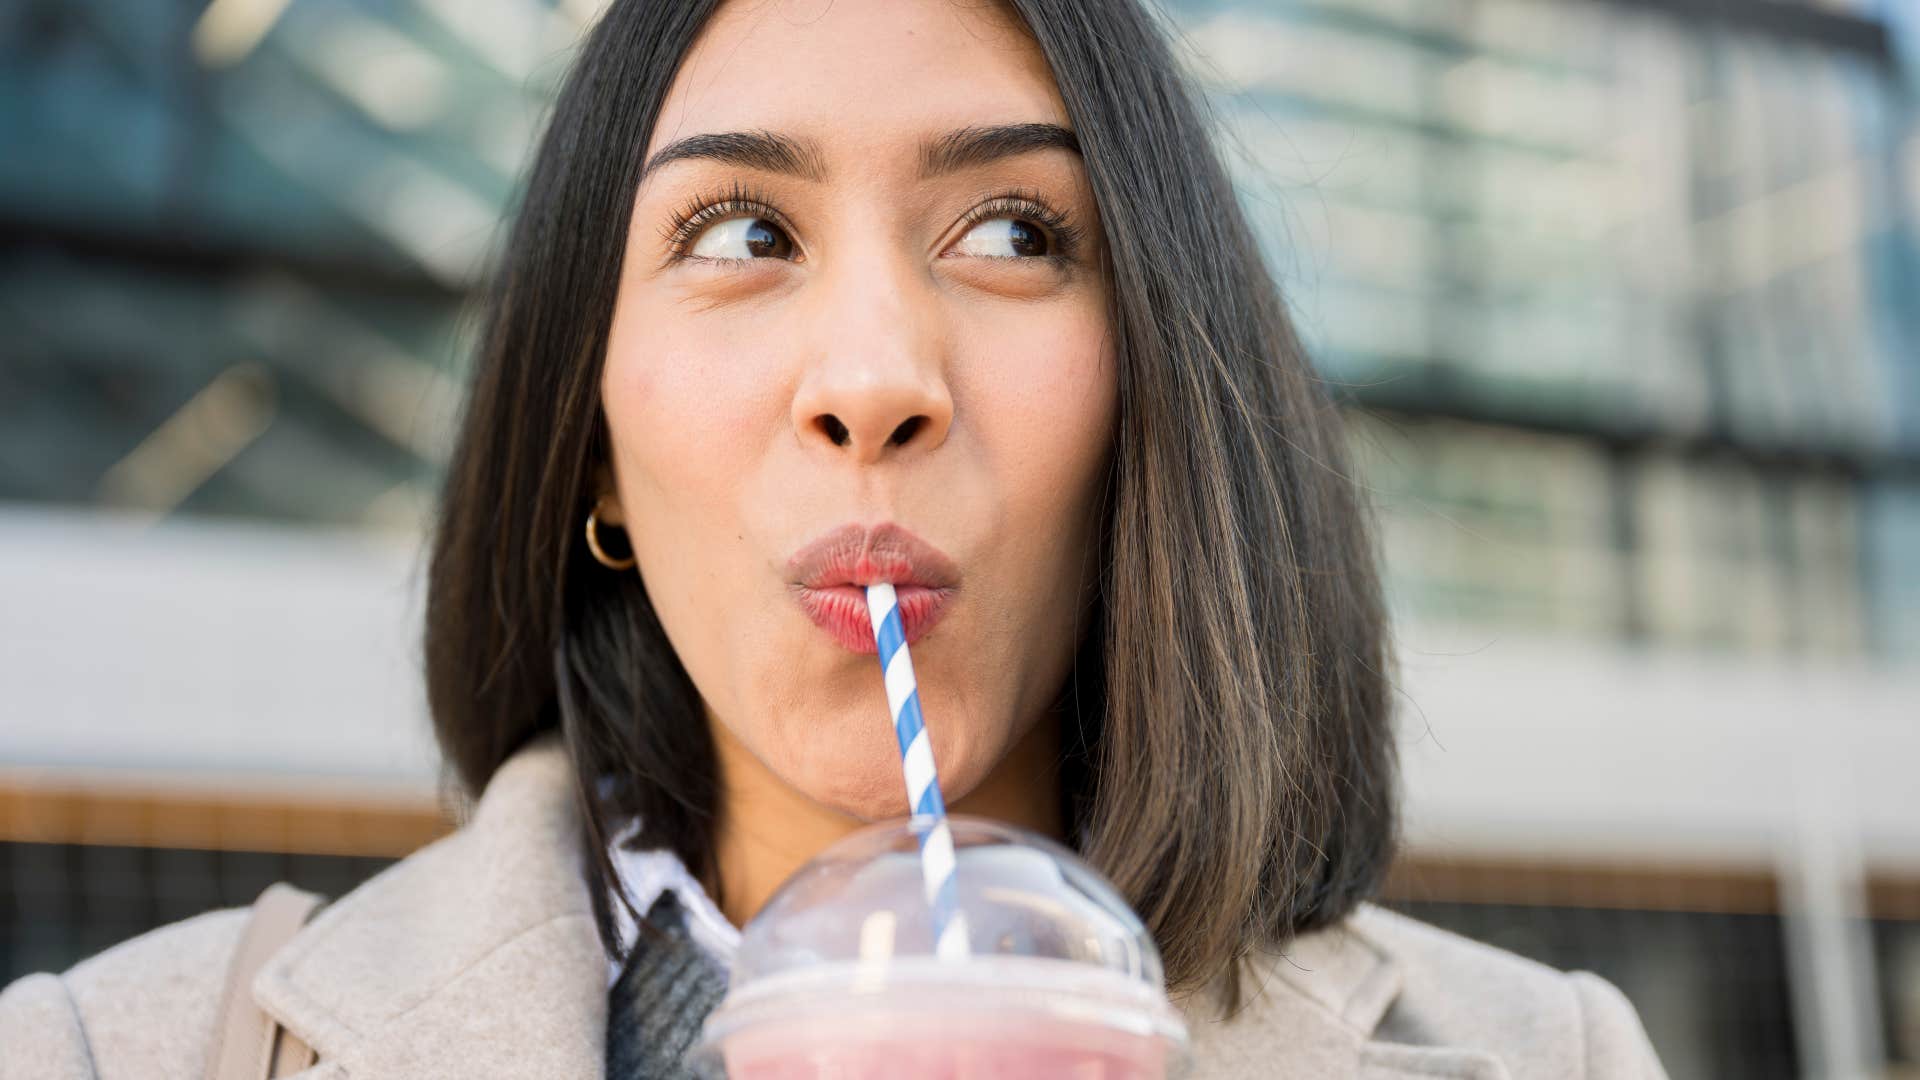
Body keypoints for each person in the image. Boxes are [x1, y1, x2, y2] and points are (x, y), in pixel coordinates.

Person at [0, 0, 1671, 1076]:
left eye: (1012, 230)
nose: (874, 380)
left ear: (1152, 394)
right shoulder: (107, 1052)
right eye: (742, 233)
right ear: (592, 450)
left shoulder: (1555, 1054)